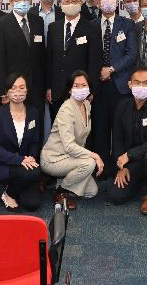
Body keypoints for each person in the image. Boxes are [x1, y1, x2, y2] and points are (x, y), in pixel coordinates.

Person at [108, 66, 147, 215]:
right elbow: (117, 138)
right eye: (137, 83)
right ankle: (139, 180)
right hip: (128, 161)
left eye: (145, 83)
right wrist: (122, 167)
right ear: (130, 85)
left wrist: (129, 155)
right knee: (116, 196)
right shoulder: (122, 106)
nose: (141, 86)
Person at [40, 71, 104, 210]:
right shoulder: (66, 109)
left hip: (71, 157)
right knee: (89, 163)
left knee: (91, 192)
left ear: (89, 88)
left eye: (84, 85)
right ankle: (60, 192)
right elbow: (69, 146)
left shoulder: (87, 105)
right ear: (70, 89)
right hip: (53, 158)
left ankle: (63, 181)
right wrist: (94, 155)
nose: (80, 89)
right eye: (76, 86)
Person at [92, 0, 138, 175]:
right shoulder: (91, 25)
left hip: (120, 85)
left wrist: (111, 69)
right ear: (98, 1)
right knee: (100, 128)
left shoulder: (127, 24)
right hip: (98, 86)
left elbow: (132, 54)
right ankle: (102, 168)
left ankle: (121, 166)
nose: (108, 1)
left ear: (116, 1)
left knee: (120, 128)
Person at [0, 0, 46, 134]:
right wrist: (3, 91)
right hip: (13, 88)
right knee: (14, 129)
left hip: (36, 88)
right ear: (11, 2)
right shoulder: (0, 25)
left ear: (31, 1)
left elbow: (41, 56)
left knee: (35, 128)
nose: (22, 2)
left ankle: (34, 157)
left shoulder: (38, 21)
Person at [46, 0, 102, 121]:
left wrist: (91, 90)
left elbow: (95, 62)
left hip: (81, 90)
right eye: (66, 1)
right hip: (57, 91)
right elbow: (49, 60)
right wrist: (49, 87)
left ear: (81, 2)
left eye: (74, 1)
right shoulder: (53, 28)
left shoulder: (92, 27)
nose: (70, 4)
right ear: (60, 4)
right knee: (58, 132)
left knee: (81, 131)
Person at [0, 74, 43, 211]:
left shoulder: (33, 113)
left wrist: (30, 158)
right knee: (32, 173)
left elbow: (35, 142)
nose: (17, 92)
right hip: (4, 164)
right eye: (13, 88)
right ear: (7, 91)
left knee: (33, 204)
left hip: (25, 165)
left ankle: (13, 187)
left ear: (27, 90)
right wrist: (20, 160)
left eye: (21, 87)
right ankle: (8, 194)